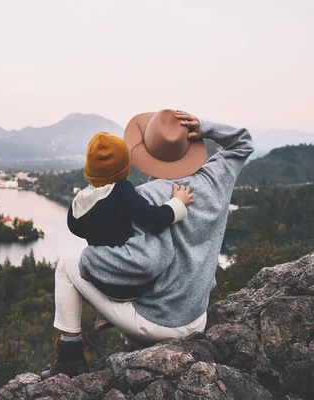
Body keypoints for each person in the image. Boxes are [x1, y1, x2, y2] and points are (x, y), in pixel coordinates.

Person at [40, 109, 254, 380]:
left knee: (67, 268)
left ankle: (70, 358)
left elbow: (143, 263)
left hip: (158, 323)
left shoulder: (146, 197)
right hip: (196, 318)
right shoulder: (216, 179)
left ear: (144, 154)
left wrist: (91, 260)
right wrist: (204, 127)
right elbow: (243, 142)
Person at [67, 131, 194, 331]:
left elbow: (75, 227)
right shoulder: (122, 192)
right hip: (133, 283)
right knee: (159, 251)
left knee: (83, 261)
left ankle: (104, 312)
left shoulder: (80, 202)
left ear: (88, 171)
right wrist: (178, 202)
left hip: (104, 280)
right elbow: (154, 220)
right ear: (124, 168)